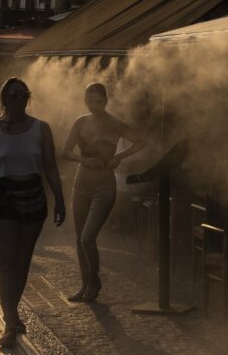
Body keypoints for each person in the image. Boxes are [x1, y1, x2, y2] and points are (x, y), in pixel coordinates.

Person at [0, 78, 66, 347]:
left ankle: (12, 312)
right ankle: (9, 322)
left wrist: (61, 199)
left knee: (23, 261)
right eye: (12, 95)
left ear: (27, 98)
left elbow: (51, 167)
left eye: (22, 95)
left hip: (32, 196)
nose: (17, 100)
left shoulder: (41, 129)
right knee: (7, 262)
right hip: (2, 197)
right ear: (3, 99)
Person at [61, 82, 146, 302]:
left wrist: (119, 156)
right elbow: (66, 151)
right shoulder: (80, 122)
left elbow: (140, 142)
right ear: (85, 101)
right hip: (82, 182)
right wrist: (83, 159)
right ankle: (85, 285)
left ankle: (94, 281)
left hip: (104, 185)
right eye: (90, 101)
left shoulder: (115, 124)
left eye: (98, 101)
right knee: (79, 237)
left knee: (88, 237)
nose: (94, 105)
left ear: (106, 101)